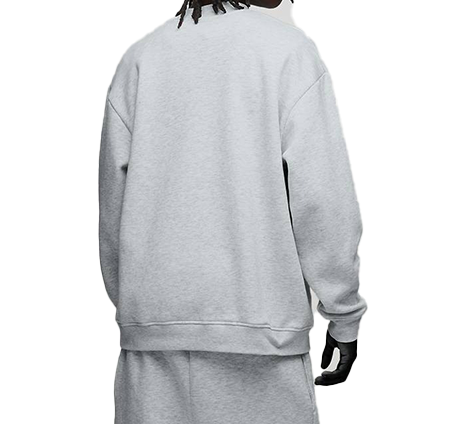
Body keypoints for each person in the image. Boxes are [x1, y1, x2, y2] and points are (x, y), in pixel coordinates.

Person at [99, 1, 367, 422]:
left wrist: (147, 311)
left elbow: (112, 208)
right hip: (262, 341)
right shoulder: (286, 52)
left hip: (153, 345)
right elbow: (322, 199)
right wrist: (343, 312)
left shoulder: (140, 59)